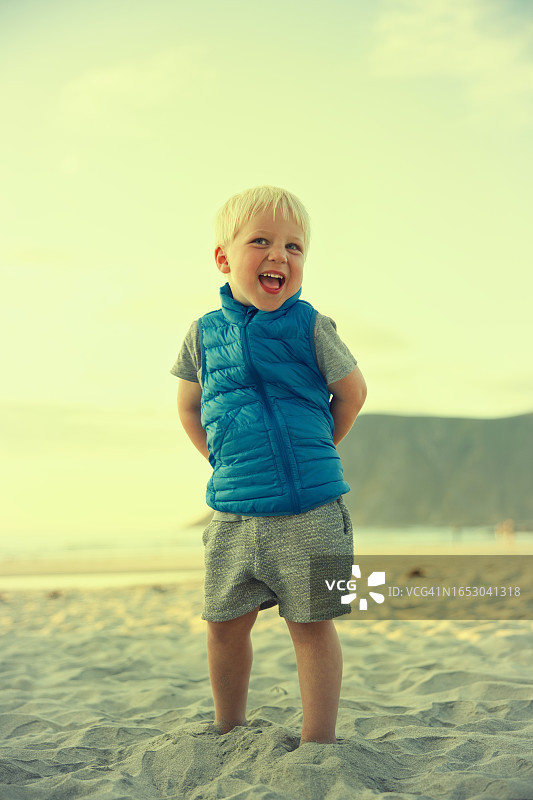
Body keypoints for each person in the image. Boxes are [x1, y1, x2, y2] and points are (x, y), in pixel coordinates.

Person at [171, 186, 367, 744]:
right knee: (223, 625)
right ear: (223, 258)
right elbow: (188, 407)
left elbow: (352, 392)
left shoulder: (311, 326)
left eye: (294, 246)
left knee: (311, 625)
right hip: (234, 513)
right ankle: (228, 726)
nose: (279, 254)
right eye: (261, 241)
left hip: (311, 508)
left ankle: (317, 740)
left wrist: (317, 451)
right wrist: (219, 459)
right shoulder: (203, 334)